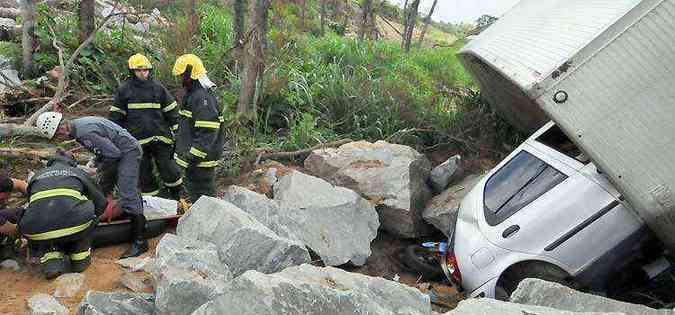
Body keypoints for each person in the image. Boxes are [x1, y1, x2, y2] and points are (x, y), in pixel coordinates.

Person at [36, 112, 148, 258]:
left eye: (57, 136)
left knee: (127, 190)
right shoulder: (79, 127)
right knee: (102, 187)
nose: (60, 139)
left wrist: (99, 170)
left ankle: (140, 241)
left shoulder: (84, 132)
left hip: (128, 152)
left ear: (61, 128)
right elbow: (103, 147)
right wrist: (96, 161)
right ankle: (122, 212)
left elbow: (114, 154)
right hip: (119, 151)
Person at [18, 153, 106, 279]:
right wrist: (94, 219)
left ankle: (51, 263)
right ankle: (79, 259)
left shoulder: (36, 176)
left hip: (35, 232)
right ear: (71, 163)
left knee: (45, 221)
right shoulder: (76, 172)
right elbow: (101, 202)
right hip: (74, 227)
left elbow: (33, 206)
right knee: (86, 214)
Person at [110, 53, 183, 200]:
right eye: (139, 70)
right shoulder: (124, 91)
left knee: (168, 168)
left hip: (161, 138)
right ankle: (152, 201)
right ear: (132, 71)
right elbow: (116, 118)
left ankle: (177, 195)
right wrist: (116, 139)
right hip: (137, 141)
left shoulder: (158, 88)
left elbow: (172, 112)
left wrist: (179, 136)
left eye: (145, 70)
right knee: (144, 174)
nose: (143, 73)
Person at [172, 54, 225, 203]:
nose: (181, 78)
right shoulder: (194, 95)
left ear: (190, 74)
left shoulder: (201, 98)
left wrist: (192, 156)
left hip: (201, 161)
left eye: (182, 74)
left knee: (204, 198)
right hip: (196, 161)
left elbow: (207, 131)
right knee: (197, 196)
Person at [0, 161, 27, 259]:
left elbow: (20, 184)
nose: (6, 200)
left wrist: (35, 195)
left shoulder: (3, 182)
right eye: (2, 199)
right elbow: (12, 230)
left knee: (18, 212)